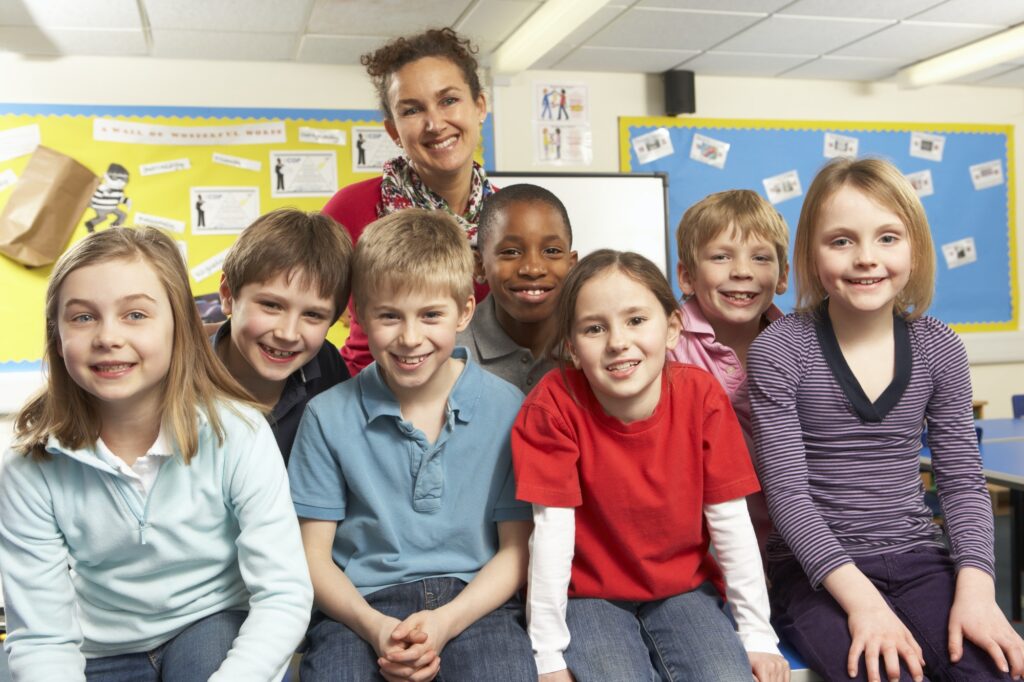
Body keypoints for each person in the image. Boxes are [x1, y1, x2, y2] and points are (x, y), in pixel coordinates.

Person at [748, 157, 1024, 682]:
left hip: (919, 556)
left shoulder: (938, 346)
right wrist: (865, 604)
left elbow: (963, 482)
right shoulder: (780, 350)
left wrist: (977, 589)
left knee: (994, 672)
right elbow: (788, 496)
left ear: (915, 247)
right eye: (842, 240)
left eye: (888, 238)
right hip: (814, 575)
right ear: (811, 251)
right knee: (884, 673)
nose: (866, 258)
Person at [0, 227, 313, 681]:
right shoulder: (29, 466)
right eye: (83, 318)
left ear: (178, 326)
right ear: (57, 333)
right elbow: (43, 638)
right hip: (100, 646)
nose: (108, 336)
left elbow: (283, 595)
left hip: (210, 625)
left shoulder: (239, 434)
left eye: (135, 314)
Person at [513, 250, 788, 682]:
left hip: (683, 588)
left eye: (636, 320)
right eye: (594, 328)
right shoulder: (553, 405)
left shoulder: (701, 396)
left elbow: (731, 523)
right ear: (571, 347)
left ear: (673, 328)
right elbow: (550, 536)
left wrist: (756, 633)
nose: (618, 341)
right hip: (587, 596)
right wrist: (548, 654)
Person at [288, 209, 535, 682]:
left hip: (476, 603)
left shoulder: (509, 407)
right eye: (389, 316)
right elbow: (313, 558)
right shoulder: (327, 415)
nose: (410, 338)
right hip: (359, 606)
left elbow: (516, 551)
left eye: (430, 315)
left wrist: (444, 623)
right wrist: (376, 627)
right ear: (357, 315)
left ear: (464, 311)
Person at [323, 27, 494, 376]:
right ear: (393, 131)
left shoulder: (509, 216)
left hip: (476, 406)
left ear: (479, 106)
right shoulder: (351, 208)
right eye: (412, 110)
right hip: (365, 401)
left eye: (448, 100)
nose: (434, 123)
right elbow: (305, 307)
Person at [670, 189, 790, 556]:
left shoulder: (799, 347)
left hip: (786, 546)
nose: (742, 271)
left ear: (782, 277)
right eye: (721, 257)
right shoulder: (664, 345)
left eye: (760, 257)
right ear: (687, 277)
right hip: (698, 550)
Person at [213, 208, 353, 462]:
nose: (288, 334)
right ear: (228, 295)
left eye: (313, 315)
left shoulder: (328, 367)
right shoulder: (180, 375)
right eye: (271, 305)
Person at [457, 184, 577, 393]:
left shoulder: (593, 346)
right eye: (511, 252)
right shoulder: (450, 353)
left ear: (571, 264)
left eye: (551, 251)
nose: (533, 269)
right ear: (479, 266)